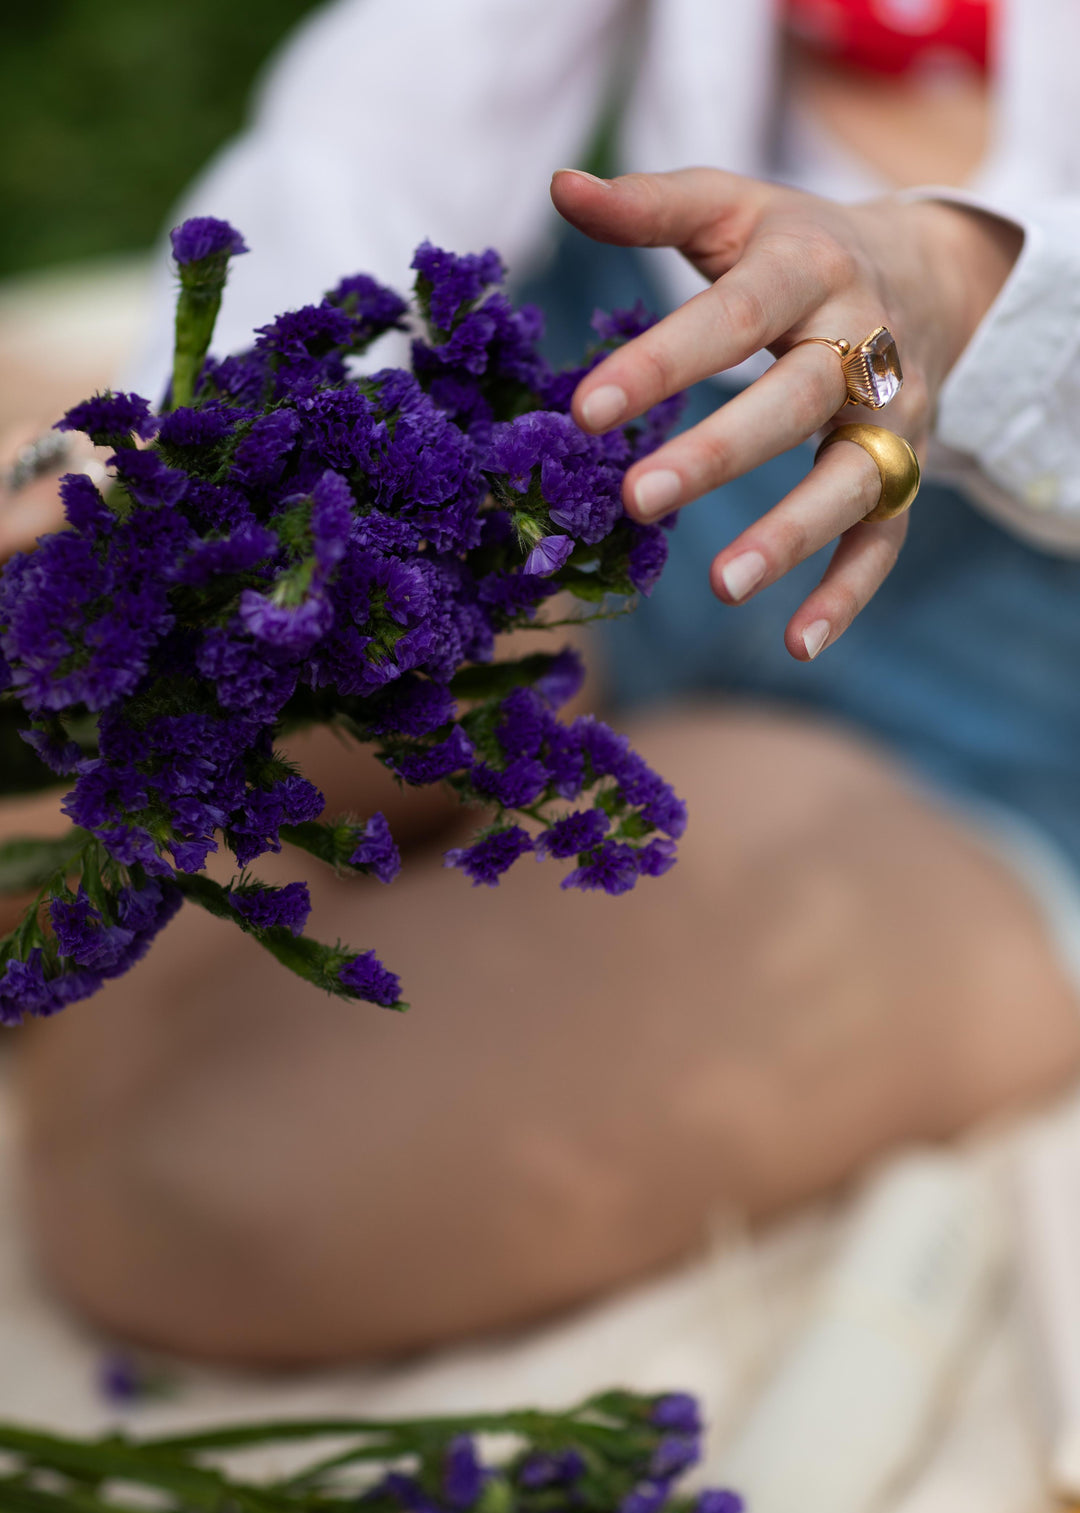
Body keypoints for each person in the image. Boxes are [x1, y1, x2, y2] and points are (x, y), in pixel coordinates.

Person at [6, 0, 1080, 1366]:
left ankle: (177, 891)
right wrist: (199, 457)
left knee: (196, 1205)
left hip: (1002, 707)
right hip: (589, 464)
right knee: (68, 642)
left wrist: (953, 277)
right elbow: (401, 119)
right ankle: (199, 867)